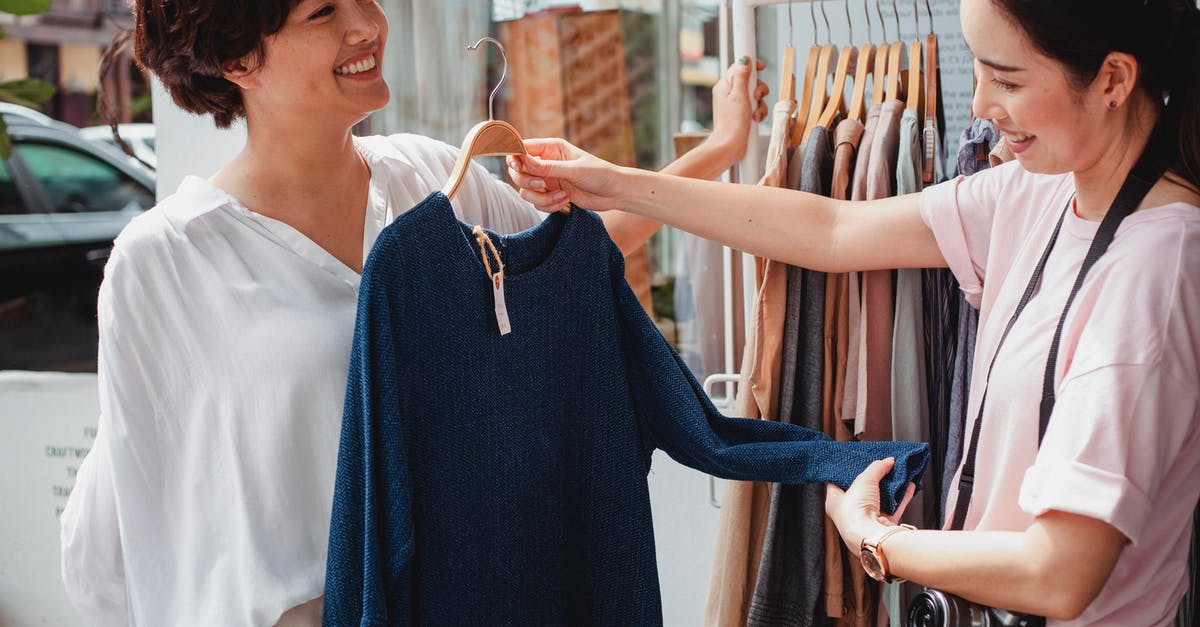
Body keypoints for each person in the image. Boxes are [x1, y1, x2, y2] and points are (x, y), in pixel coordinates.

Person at [58, 0, 772, 624]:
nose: (368, 23)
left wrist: (717, 151)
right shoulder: (166, 260)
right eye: (323, 12)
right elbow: (119, 536)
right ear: (239, 58)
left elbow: (565, 268)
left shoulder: (429, 178)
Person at [509, 0, 1200, 623]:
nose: (982, 103)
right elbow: (832, 230)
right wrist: (612, 183)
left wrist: (878, 541)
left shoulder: (1153, 272)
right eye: (980, 73)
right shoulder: (1039, 193)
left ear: (1112, 79)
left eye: (1008, 80)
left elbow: (1059, 573)